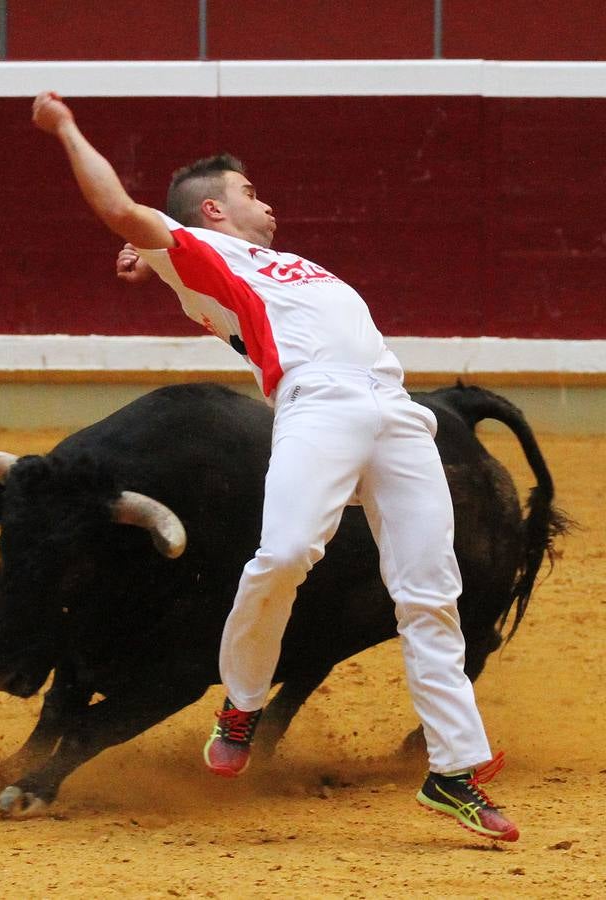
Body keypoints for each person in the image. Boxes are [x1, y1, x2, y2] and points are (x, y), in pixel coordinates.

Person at [31, 90, 519, 843]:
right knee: (285, 554)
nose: (269, 205)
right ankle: (243, 702)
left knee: (430, 591)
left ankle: (452, 772)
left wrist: (155, 269)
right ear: (214, 214)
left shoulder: (275, 269)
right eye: (250, 193)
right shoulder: (205, 251)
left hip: (396, 410)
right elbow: (122, 212)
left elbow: (229, 321)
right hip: (318, 402)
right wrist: (66, 129)